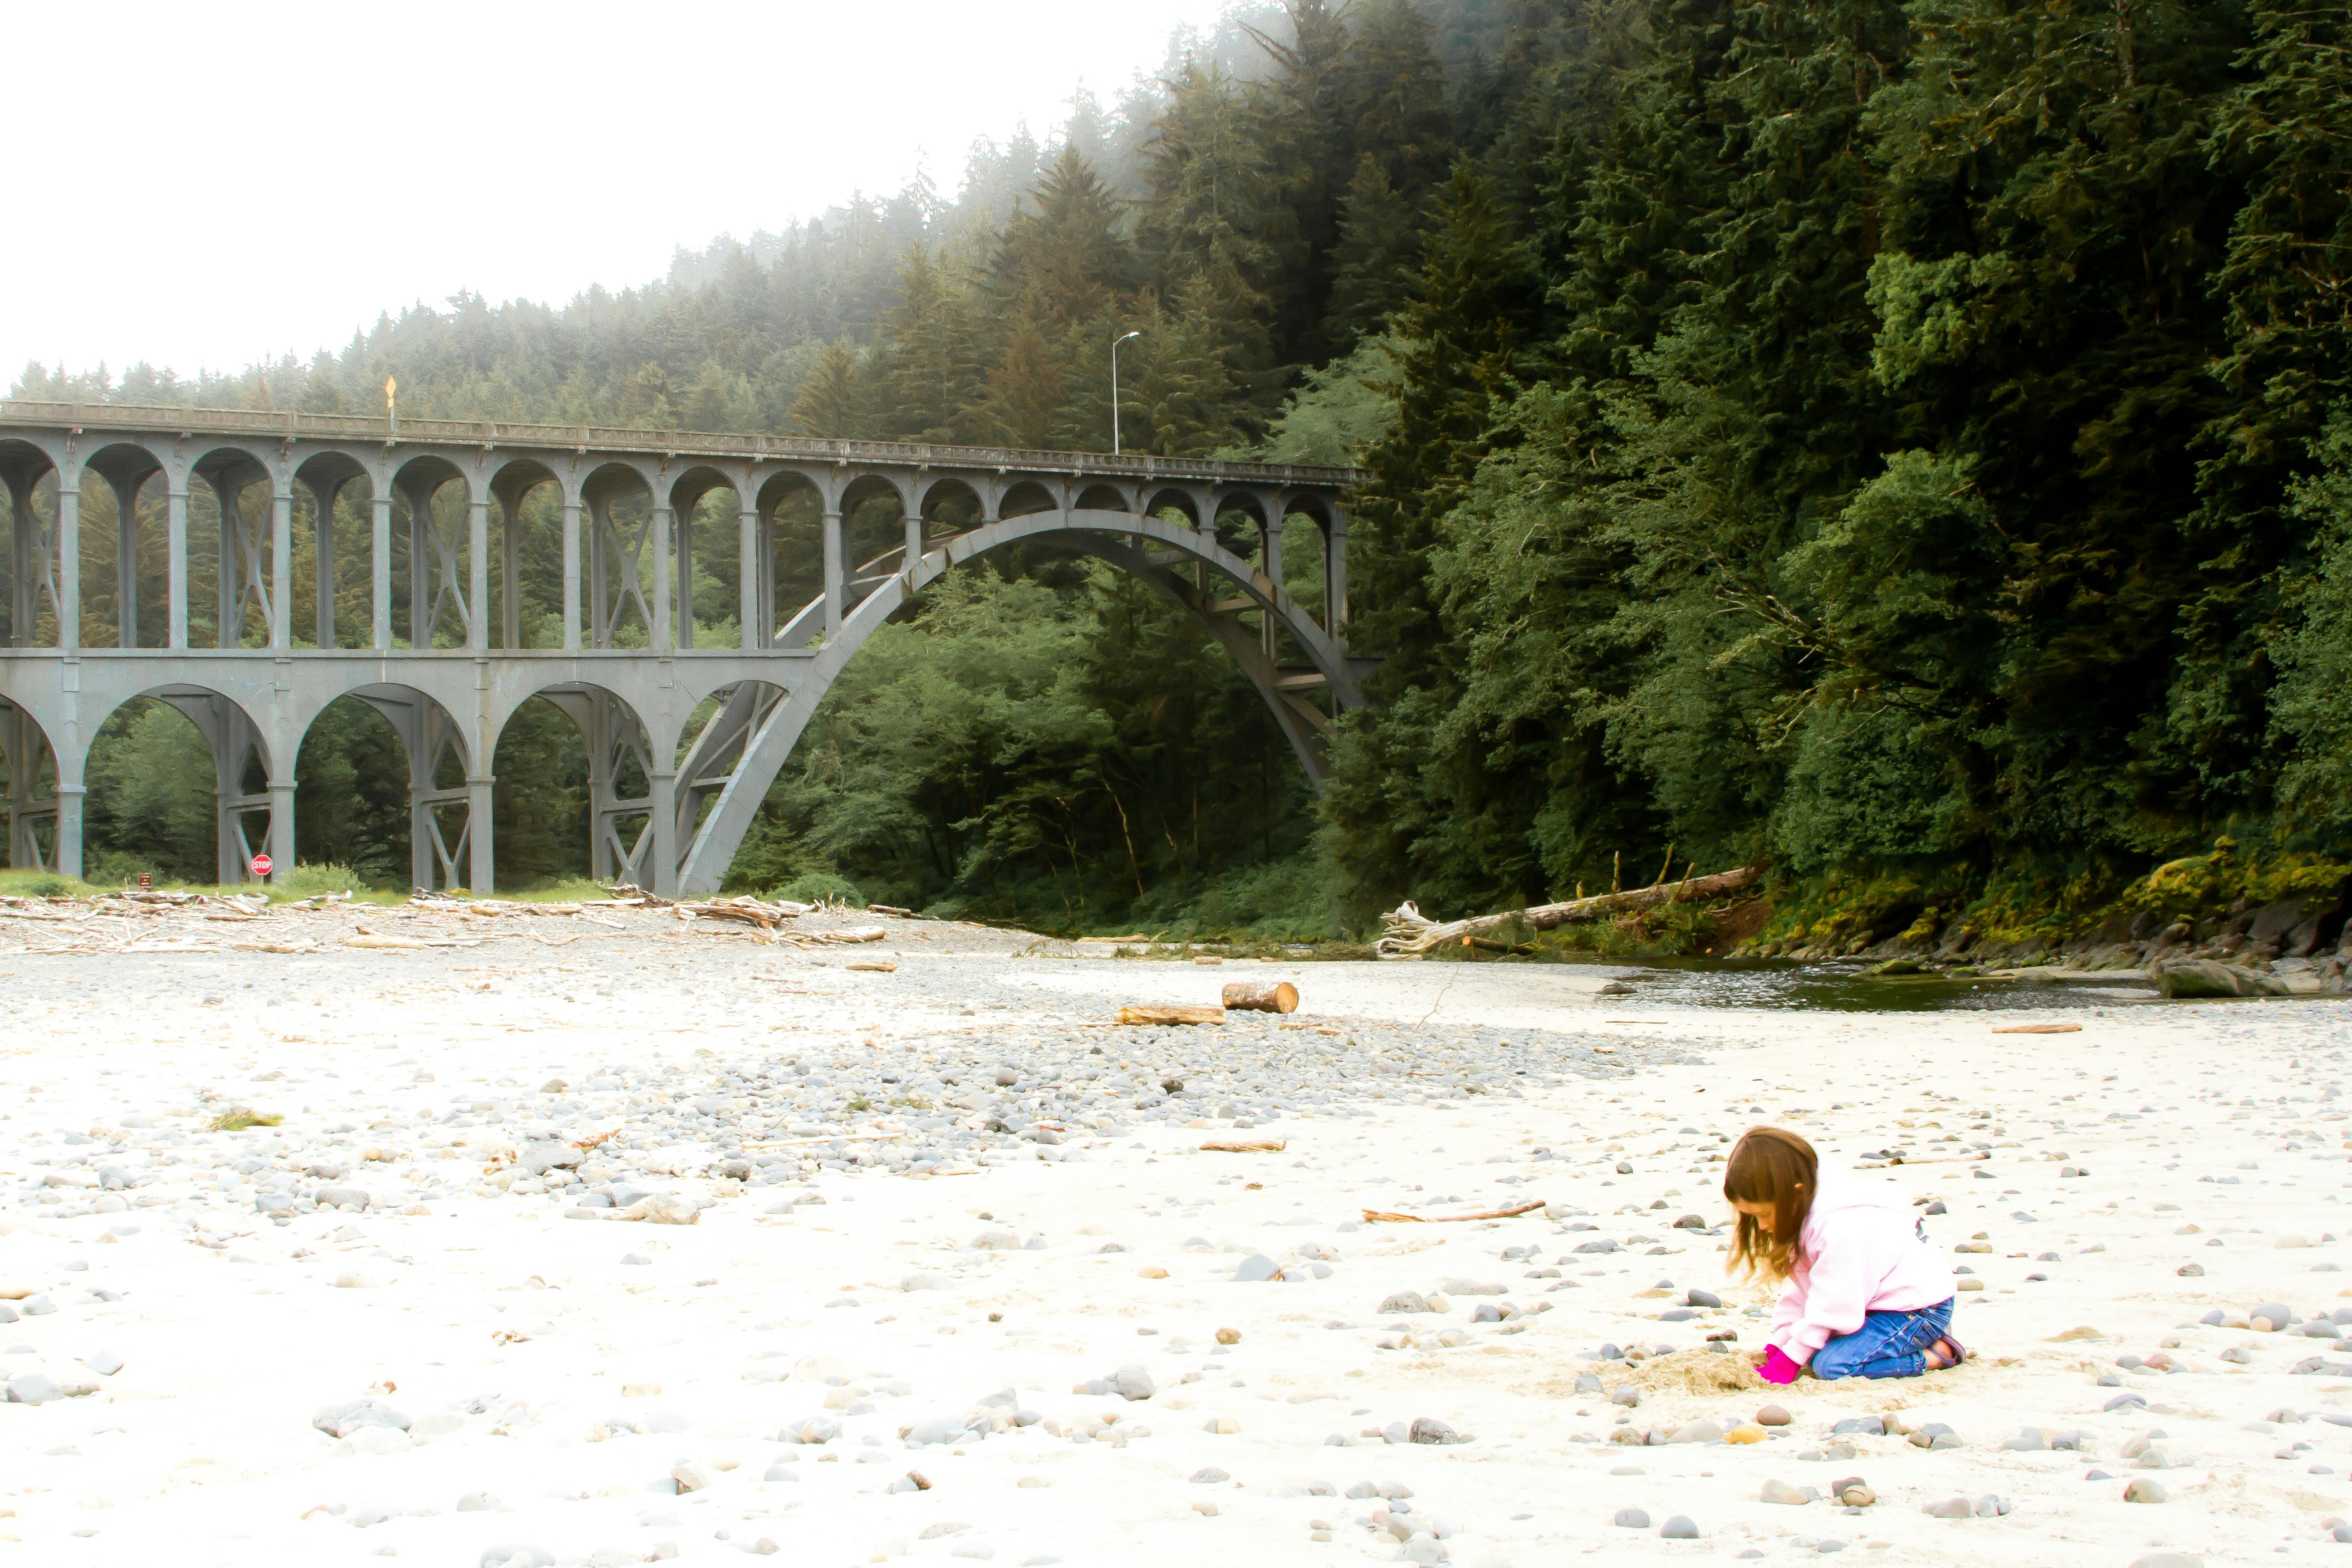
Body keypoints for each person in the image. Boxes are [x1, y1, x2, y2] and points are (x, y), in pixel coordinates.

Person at [1721, 1126, 1964, 1382]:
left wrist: (1791, 1359)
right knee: (1813, 1347)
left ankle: (1938, 1354)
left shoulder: (1841, 1229)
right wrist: (1780, 1345)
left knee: (1833, 1366)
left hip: (1919, 1309)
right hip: (1873, 1303)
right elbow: (1810, 1291)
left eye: (1764, 1215)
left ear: (1796, 1193)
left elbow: (1835, 1303)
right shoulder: (1805, 1214)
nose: (1761, 1227)